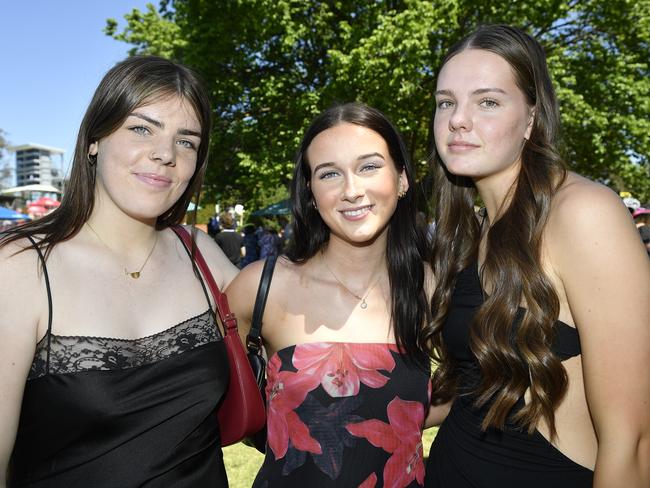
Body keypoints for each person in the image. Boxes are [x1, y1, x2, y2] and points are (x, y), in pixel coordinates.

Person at [422, 24, 650, 487]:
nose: (458, 119)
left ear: (530, 118)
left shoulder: (584, 213)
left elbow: (634, 440)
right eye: (446, 102)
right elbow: (470, 386)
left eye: (487, 101)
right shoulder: (468, 227)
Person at [0, 55, 238, 487]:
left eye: (186, 141)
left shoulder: (201, 255)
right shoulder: (19, 268)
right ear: (95, 138)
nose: (165, 154)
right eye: (141, 128)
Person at [226, 102, 432, 487]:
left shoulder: (432, 287)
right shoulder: (262, 287)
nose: (352, 190)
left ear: (402, 179)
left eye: (369, 166)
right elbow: (215, 397)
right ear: (310, 190)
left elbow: (466, 395)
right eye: (329, 174)